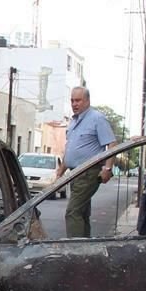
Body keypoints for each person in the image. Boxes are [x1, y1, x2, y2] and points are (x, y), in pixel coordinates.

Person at [57, 87, 117, 238]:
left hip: (89, 172)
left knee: (73, 212)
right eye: (72, 100)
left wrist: (108, 168)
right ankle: (85, 247)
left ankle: (74, 249)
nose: (74, 104)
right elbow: (69, 149)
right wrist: (60, 173)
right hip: (74, 173)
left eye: (78, 100)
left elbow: (111, 144)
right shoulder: (73, 122)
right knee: (82, 213)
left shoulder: (97, 118)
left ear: (87, 101)